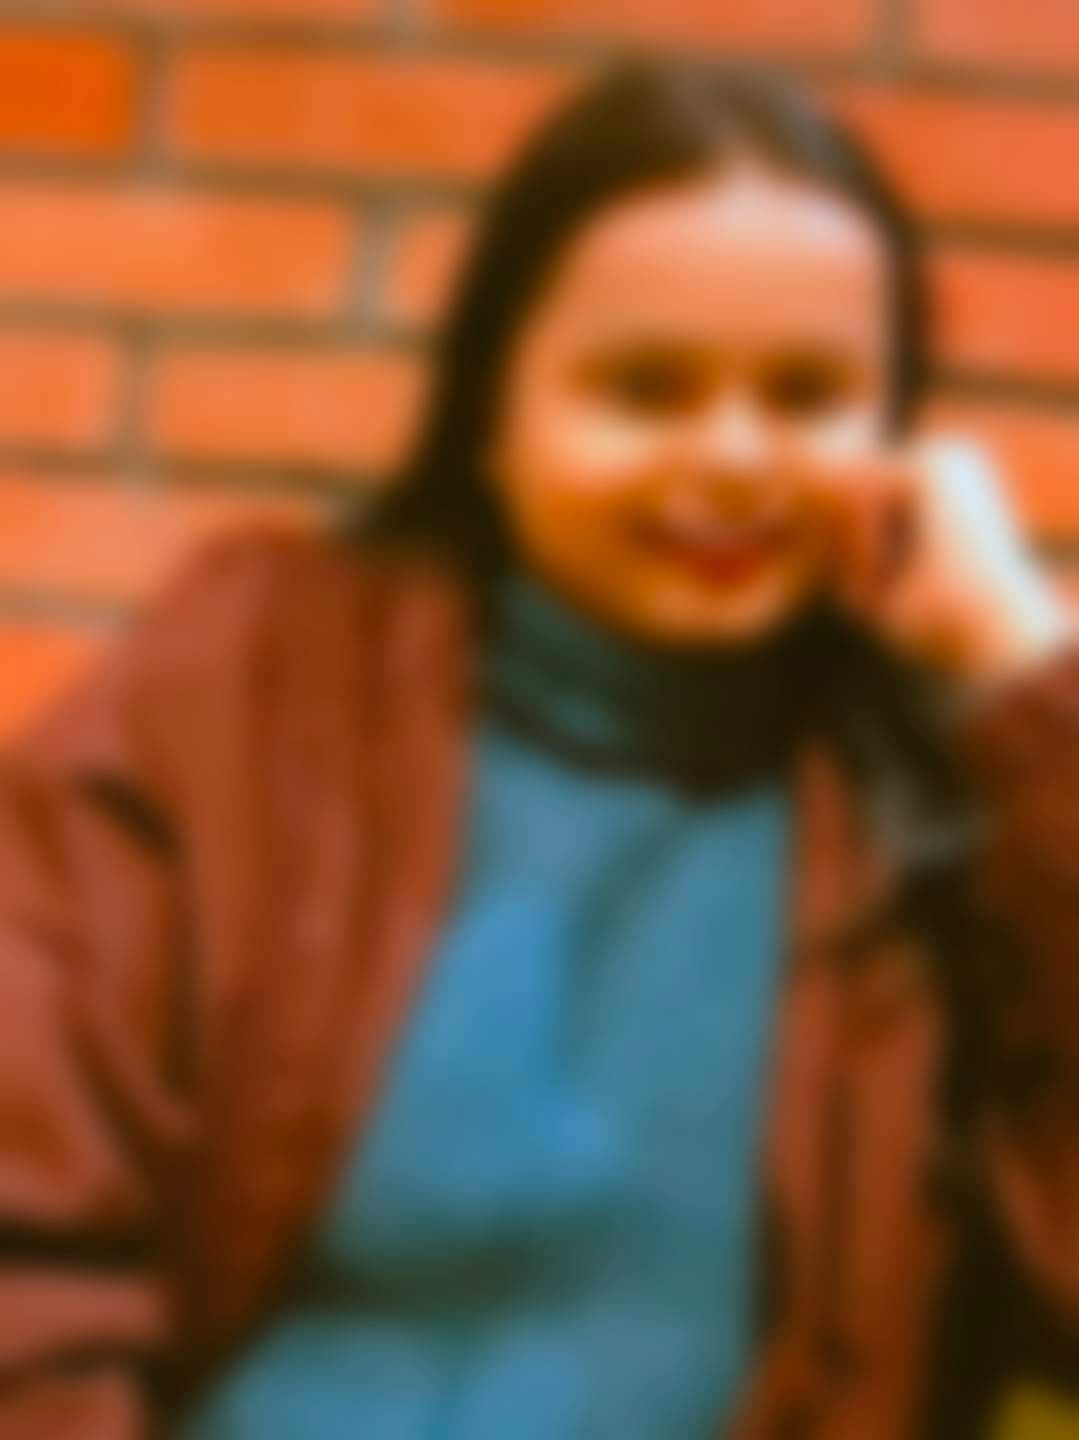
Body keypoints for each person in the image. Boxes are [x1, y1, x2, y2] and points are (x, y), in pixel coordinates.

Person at [1, 56, 1077, 1440]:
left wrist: (1024, 677)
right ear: (492, 416)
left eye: (808, 395)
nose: (733, 458)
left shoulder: (935, 808)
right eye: (645, 388)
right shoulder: (248, 690)